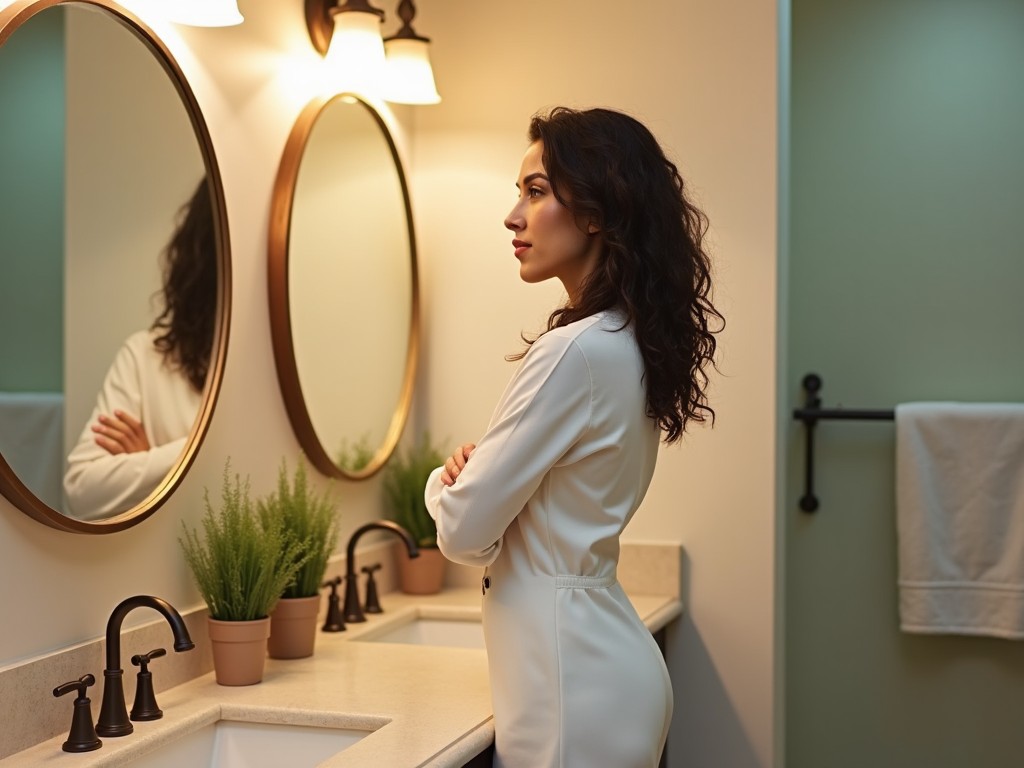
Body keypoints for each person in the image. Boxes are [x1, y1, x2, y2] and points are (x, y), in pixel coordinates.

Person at [423, 107, 723, 767]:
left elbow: (466, 533)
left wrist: (443, 485)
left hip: (573, 698)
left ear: (596, 212)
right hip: (599, 675)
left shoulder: (575, 352)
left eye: (535, 192)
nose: (513, 216)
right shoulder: (623, 341)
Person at [63, 178, 216, 520]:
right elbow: (82, 489)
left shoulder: (273, 368)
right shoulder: (145, 356)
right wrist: (186, 459)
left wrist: (150, 461)